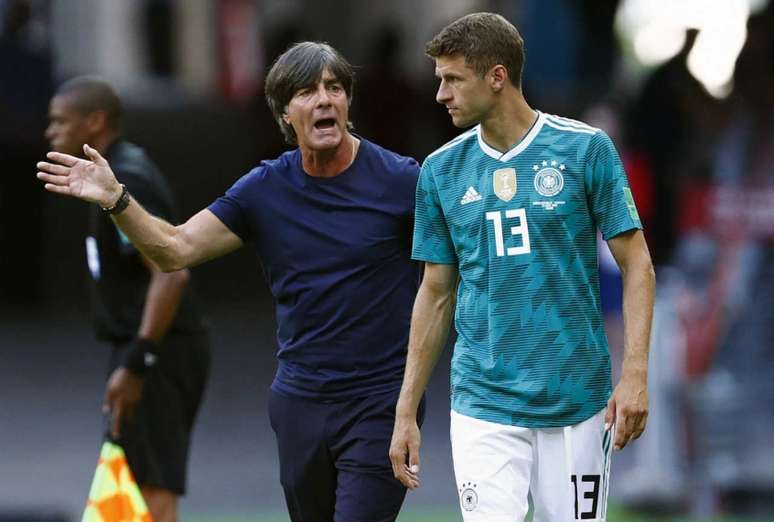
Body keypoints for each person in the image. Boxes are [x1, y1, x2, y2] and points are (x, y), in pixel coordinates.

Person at [38, 43, 423, 522]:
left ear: (347, 101)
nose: (324, 100)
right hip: (300, 403)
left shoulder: (403, 182)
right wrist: (117, 199)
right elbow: (173, 250)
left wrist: (410, 401)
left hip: (378, 404)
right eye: (307, 92)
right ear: (285, 113)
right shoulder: (264, 190)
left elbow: (452, 272)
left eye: (335, 88)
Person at [389, 13, 656, 522]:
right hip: (482, 403)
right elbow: (435, 293)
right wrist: (406, 409)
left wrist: (636, 373)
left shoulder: (585, 150)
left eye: (452, 79)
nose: (440, 94)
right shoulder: (440, 171)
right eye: (438, 80)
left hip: (576, 400)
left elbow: (637, 263)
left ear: (497, 76)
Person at [43, 76, 210, 522]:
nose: (50, 132)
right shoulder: (112, 173)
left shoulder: (126, 179)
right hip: (145, 346)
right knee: (131, 483)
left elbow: (171, 278)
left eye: (60, 122)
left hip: (160, 348)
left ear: (95, 121)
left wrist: (138, 361)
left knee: (153, 487)